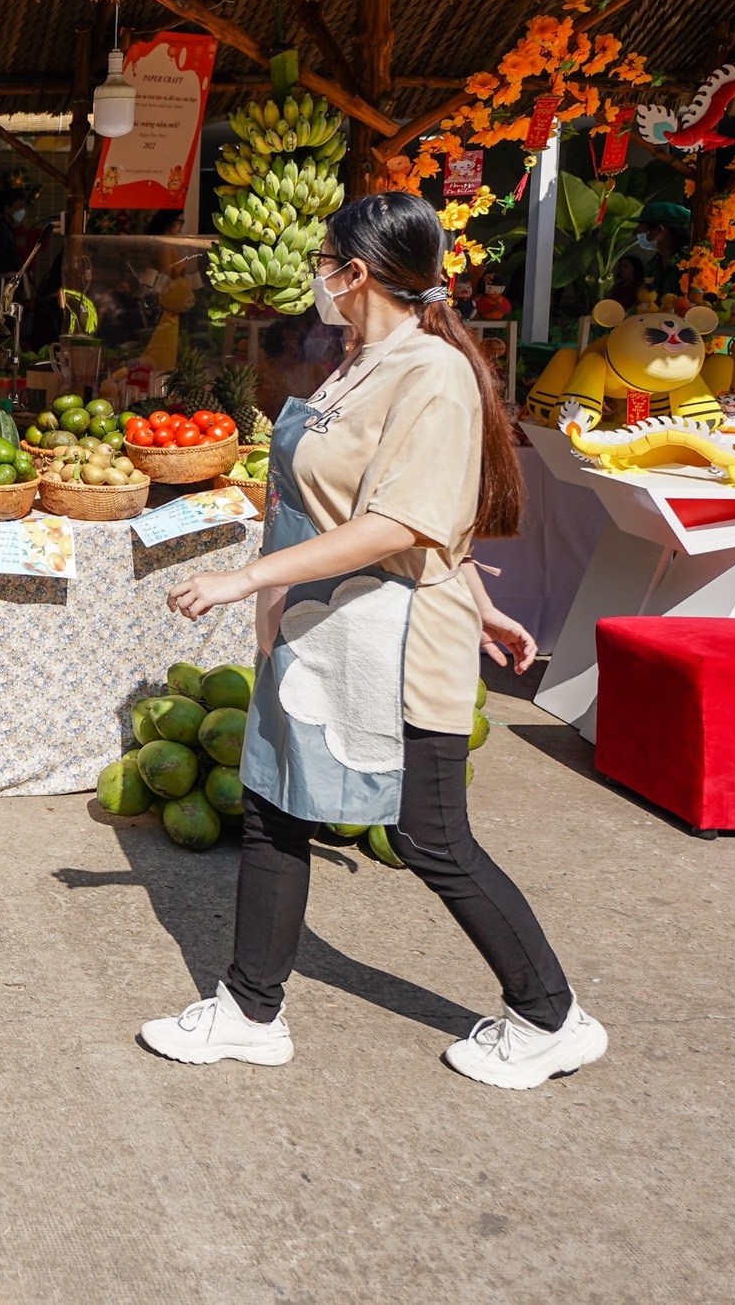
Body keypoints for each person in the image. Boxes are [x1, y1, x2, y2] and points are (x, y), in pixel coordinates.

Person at [143, 192, 603, 1091]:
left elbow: (399, 520)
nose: (315, 273)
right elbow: (389, 507)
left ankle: (552, 1016)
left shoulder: (430, 372)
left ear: (355, 273)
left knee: (431, 834)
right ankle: (249, 1011)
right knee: (276, 808)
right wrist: (476, 590)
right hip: (318, 632)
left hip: (386, 641)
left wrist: (244, 579)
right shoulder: (358, 362)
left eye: (323, 258)